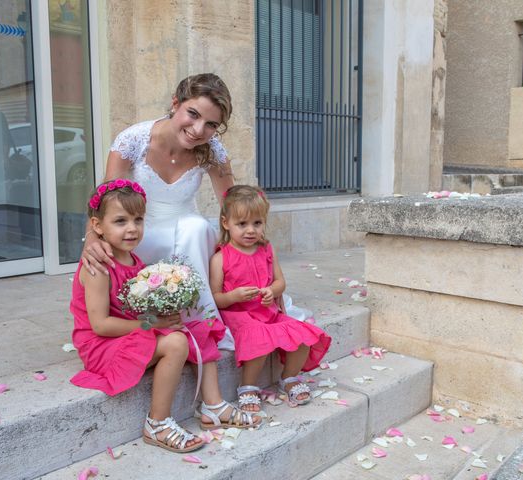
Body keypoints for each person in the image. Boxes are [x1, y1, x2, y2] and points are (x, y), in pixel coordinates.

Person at [70, 179, 257, 455]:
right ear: (98, 226)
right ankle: (157, 422)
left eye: (138, 219)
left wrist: (166, 312)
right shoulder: (98, 268)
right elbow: (101, 324)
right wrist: (152, 324)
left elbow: (136, 309)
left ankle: (213, 405)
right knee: (176, 343)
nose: (132, 228)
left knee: (199, 328)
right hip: (103, 345)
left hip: (128, 333)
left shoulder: (136, 263)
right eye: (120, 221)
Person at [81, 73, 234, 350]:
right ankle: (146, 317)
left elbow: (232, 208)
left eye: (211, 124)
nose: (199, 130)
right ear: (175, 103)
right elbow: (106, 198)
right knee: (127, 239)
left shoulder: (212, 151)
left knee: (197, 228)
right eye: (193, 114)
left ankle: (200, 322)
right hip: (140, 228)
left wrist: (246, 252)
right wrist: (92, 238)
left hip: (185, 224)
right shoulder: (133, 140)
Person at [210, 185, 332, 413]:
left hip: (268, 313)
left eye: (257, 223)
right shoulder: (221, 258)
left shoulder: (266, 250)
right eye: (242, 224)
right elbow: (215, 298)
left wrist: (272, 292)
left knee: (304, 336)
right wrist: (233, 296)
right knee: (259, 339)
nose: (250, 230)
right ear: (226, 223)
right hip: (240, 317)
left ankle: (289, 378)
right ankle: (247, 386)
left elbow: (280, 282)